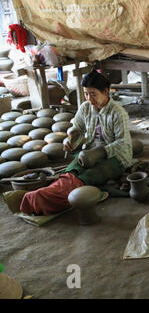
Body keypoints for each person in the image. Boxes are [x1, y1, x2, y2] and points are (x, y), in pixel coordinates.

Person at [20, 70, 133, 216]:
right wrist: (71, 140)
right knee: (71, 171)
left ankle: (60, 196)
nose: (89, 98)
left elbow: (122, 142)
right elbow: (77, 128)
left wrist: (98, 152)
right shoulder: (85, 108)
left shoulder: (118, 112)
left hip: (116, 156)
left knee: (89, 176)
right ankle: (51, 191)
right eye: (86, 93)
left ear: (105, 91)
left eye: (93, 94)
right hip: (89, 153)